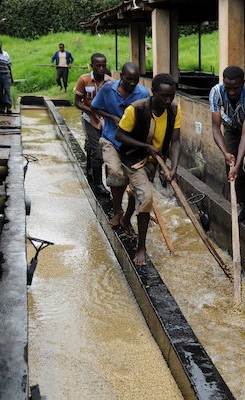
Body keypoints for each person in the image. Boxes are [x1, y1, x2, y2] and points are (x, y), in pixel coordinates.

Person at [115, 73, 181, 266]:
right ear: (153, 92)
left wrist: (173, 167)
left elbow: (176, 142)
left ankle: (126, 219)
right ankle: (141, 247)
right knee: (146, 197)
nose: (168, 100)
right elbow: (119, 135)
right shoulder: (136, 109)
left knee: (138, 193)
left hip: (155, 161)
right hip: (134, 159)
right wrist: (146, 147)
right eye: (163, 96)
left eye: (171, 96)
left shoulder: (175, 110)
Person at [91, 62, 150, 232]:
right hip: (111, 138)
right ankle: (117, 210)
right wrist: (112, 117)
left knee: (135, 183)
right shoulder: (108, 89)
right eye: (129, 79)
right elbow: (95, 107)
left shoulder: (143, 94)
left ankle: (127, 217)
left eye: (136, 80)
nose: (132, 83)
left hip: (131, 144)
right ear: (121, 77)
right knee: (116, 173)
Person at [209, 66, 245, 221]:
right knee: (231, 165)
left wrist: (239, 162)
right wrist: (226, 154)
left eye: (235, 88)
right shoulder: (216, 92)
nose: (231, 92)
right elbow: (216, 128)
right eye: (228, 88)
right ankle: (244, 204)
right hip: (232, 126)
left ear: (243, 83)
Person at [74, 53, 110, 196]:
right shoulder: (84, 80)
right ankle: (98, 185)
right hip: (90, 119)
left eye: (103, 65)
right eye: (98, 66)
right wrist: (92, 112)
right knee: (97, 152)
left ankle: (96, 172)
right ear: (92, 66)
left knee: (103, 149)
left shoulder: (111, 83)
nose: (101, 68)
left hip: (105, 121)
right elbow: (77, 102)